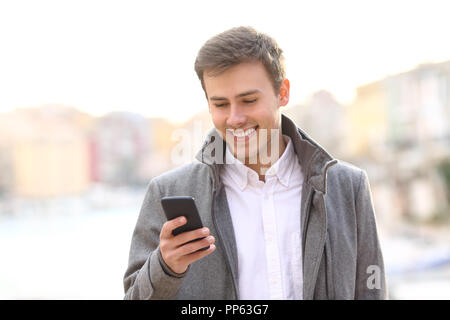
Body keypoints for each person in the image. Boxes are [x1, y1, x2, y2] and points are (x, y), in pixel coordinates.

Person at [123, 26, 387, 300]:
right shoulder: (167, 192)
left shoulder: (348, 187)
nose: (235, 118)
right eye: (221, 105)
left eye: (248, 100)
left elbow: (371, 291)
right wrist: (166, 268)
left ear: (282, 92)